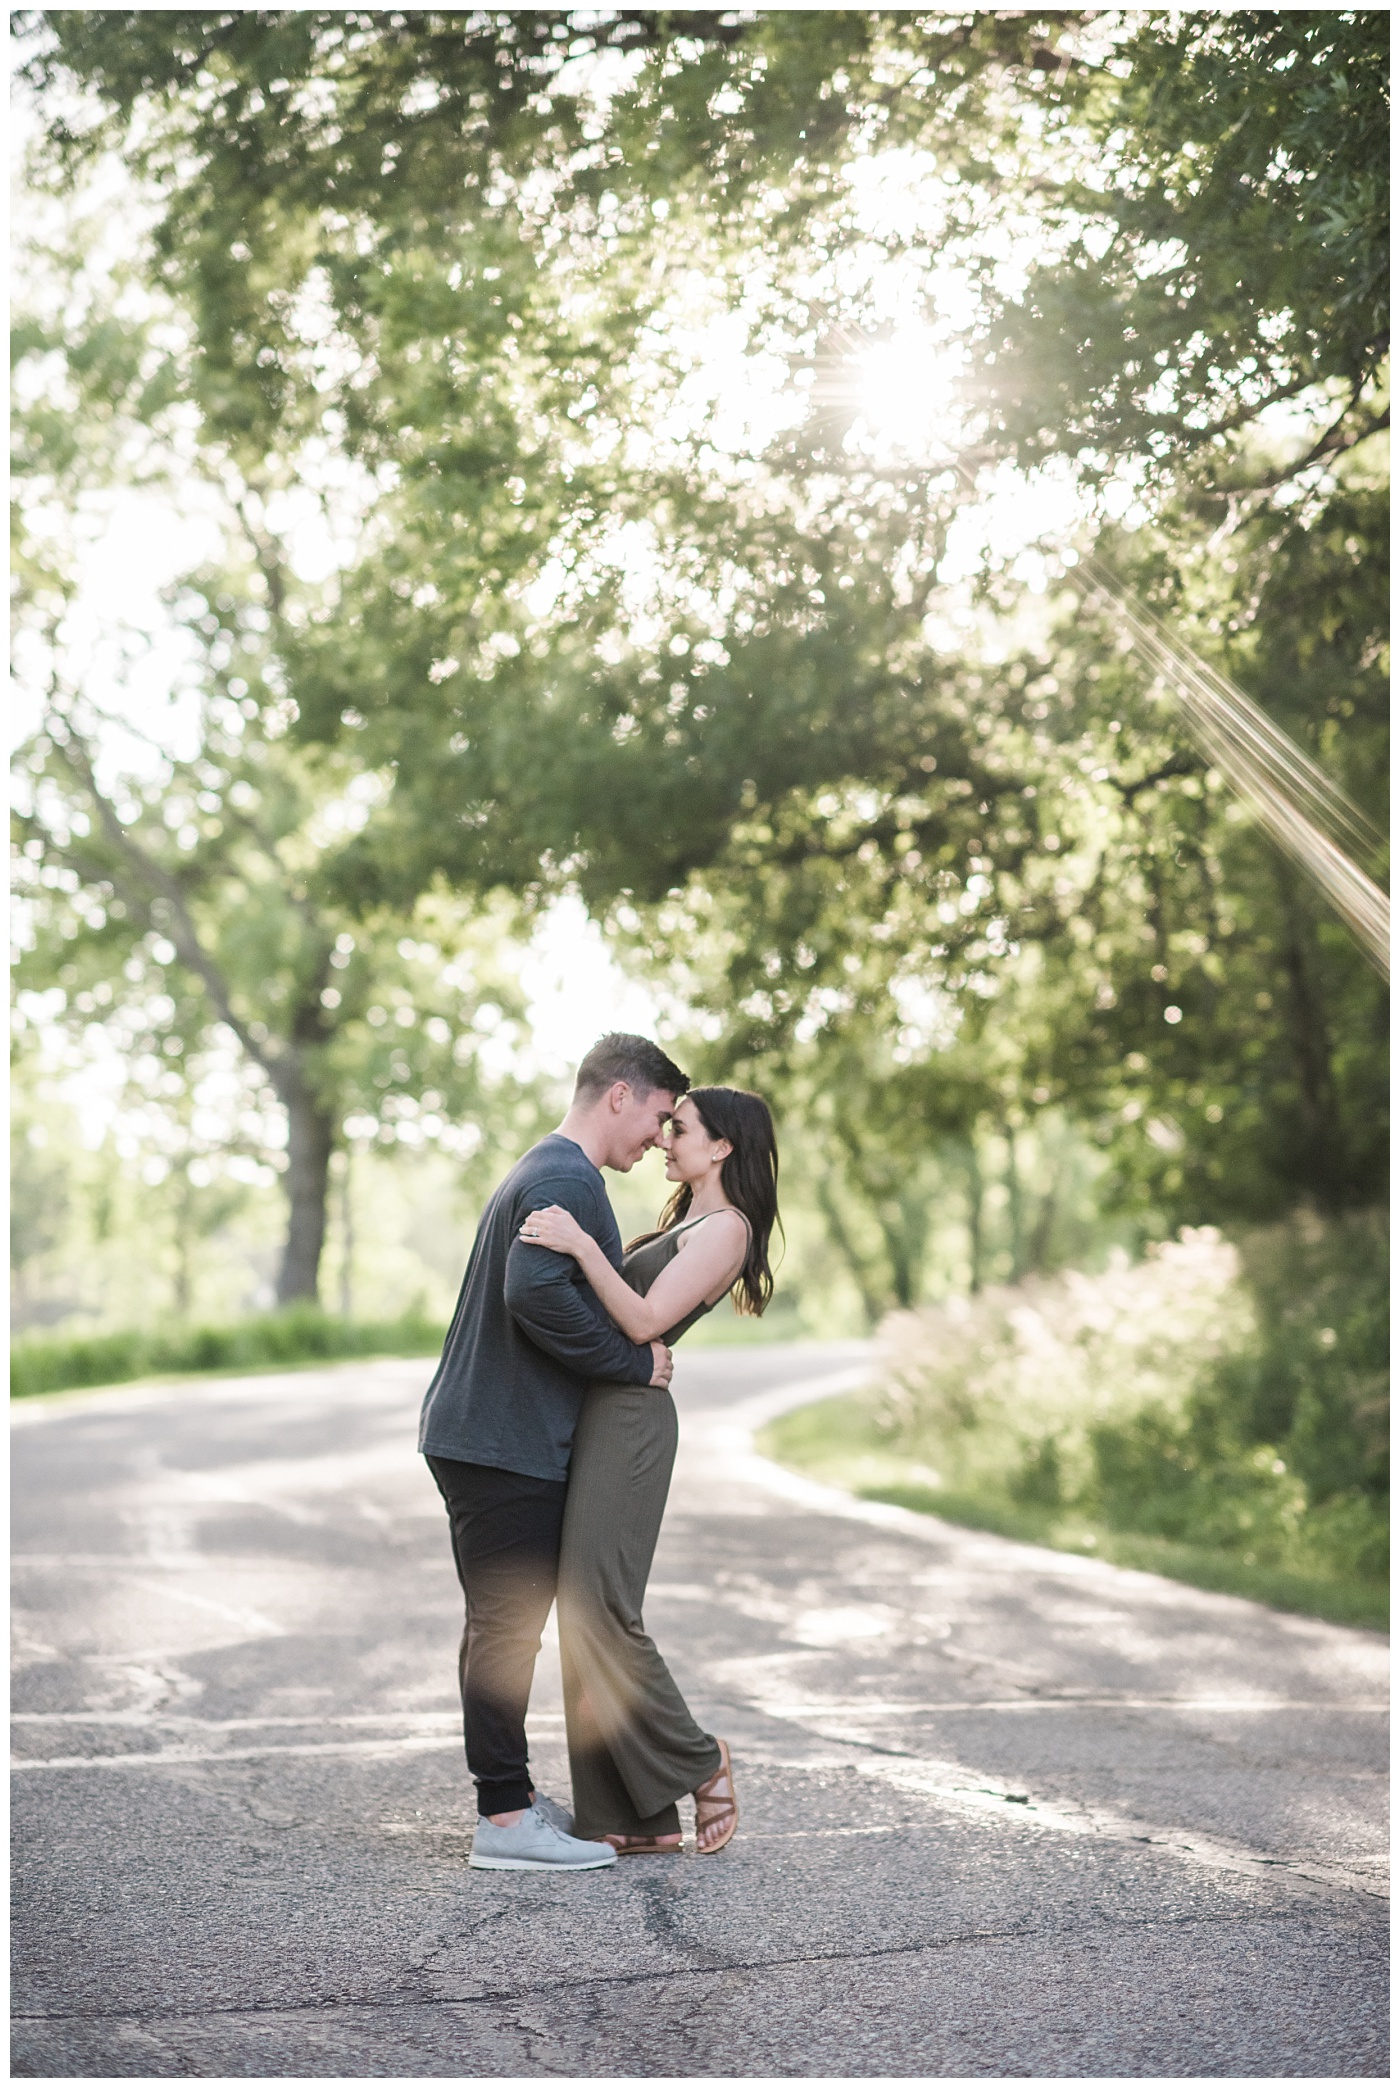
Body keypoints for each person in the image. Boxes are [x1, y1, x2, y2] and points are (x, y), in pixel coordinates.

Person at [419, 1032, 690, 1873]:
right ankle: (503, 1820)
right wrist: (632, 1363)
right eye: (656, 1116)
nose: (657, 1139)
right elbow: (533, 1288)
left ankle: (512, 1798)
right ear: (619, 1095)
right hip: (502, 1440)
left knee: (499, 1628)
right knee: (507, 1632)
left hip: (485, 1433)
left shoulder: (547, 1165)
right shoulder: (570, 1176)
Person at [518, 1084, 780, 1856]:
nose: (666, 1140)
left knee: (602, 1607)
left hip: (632, 1425)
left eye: (682, 1129)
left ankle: (702, 1760)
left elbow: (641, 1321)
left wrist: (578, 1243)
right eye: (667, 1128)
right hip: (604, 1411)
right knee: (581, 1609)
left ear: (723, 1146)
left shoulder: (727, 1230)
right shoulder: (688, 1221)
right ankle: (624, 1817)